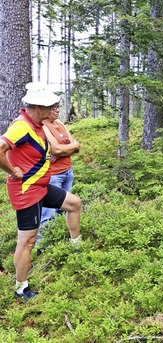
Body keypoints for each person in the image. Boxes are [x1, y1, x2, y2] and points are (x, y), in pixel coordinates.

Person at [0, 82, 82, 301]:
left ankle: (77, 249)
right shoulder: (21, 126)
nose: (54, 109)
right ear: (38, 108)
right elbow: (0, 149)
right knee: (27, 240)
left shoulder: (37, 125)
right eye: (50, 106)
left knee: (74, 203)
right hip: (26, 191)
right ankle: (21, 287)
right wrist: (13, 171)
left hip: (41, 187)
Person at [38, 104, 81, 244]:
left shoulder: (60, 124)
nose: (57, 110)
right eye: (53, 108)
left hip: (67, 172)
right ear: (45, 109)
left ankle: (58, 240)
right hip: (53, 175)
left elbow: (76, 145)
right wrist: (65, 149)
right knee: (47, 214)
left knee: (64, 208)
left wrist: (66, 150)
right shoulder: (43, 126)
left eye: (58, 107)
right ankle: (42, 246)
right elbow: (56, 149)